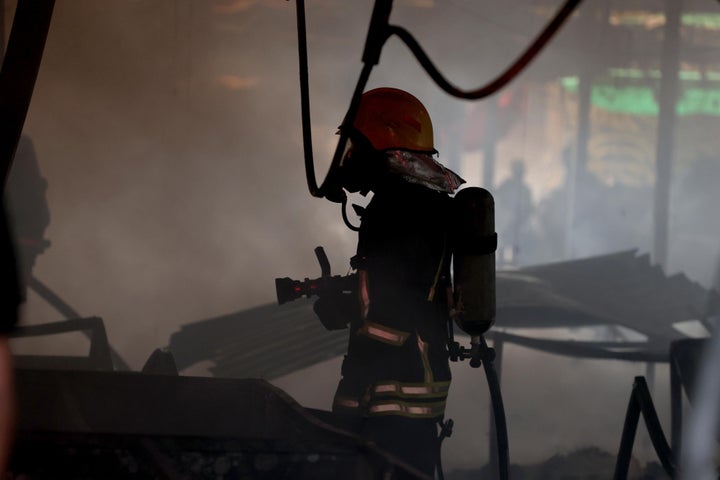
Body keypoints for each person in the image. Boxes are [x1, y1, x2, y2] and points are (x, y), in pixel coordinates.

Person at [319, 88, 465, 477]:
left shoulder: (401, 207)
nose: (348, 156)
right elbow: (400, 285)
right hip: (397, 391)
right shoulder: (414, 201)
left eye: (355, 144)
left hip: (398, 396)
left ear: (382, 139)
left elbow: (396, 306)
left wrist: (345, 304)